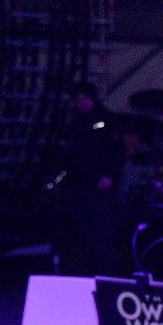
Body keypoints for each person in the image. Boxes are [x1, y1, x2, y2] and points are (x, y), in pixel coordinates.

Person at [52, 81, 125, 275]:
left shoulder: (107, 120)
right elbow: (69, 154)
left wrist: (110, 175)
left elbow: (117, 152)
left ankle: (104, 273)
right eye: (78, 99)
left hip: (100, 186)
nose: (81, 102)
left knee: (101, 231)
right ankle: (87, 272)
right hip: (79, 185)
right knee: (82, 231)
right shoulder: (74, 124)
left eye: (85, 98)